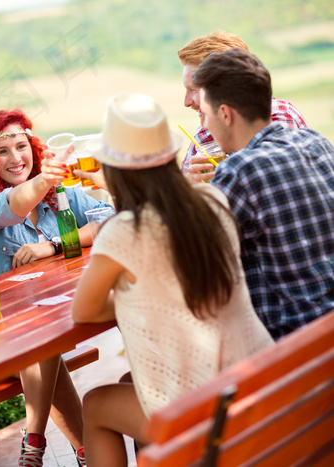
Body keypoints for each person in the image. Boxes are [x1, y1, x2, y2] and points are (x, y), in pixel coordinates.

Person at [71, 92, 274, 467]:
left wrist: (132, 297)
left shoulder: (122, 233)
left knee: (96, 405)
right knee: (129, 384)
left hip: (209, 414)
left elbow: (84, 311)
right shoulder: (213, 200)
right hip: (260, 383)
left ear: (113, 169)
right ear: (170, 157)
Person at [0, 109, 113, 466]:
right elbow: (12, 207)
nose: (16, 158)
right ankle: (39, 441)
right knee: (41, 339)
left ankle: (68, 451)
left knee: (43, 339)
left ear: (32, 147)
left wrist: (55, 245)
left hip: (41, 326)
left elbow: (107, 218)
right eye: (2, 151)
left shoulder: (56, 194)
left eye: (21, 146)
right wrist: (43, 180)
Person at [193, 48, 334, 339]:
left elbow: (197, 265)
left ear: (225, 114)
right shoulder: (316, 141)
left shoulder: (240, 171)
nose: (204, 125)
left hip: (293, 349)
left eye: (204, 114)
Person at [177, 31, 308, 182]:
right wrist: (189, 181)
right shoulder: (204, 136)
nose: (186, 102)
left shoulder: (279, 118)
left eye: (194, 90)